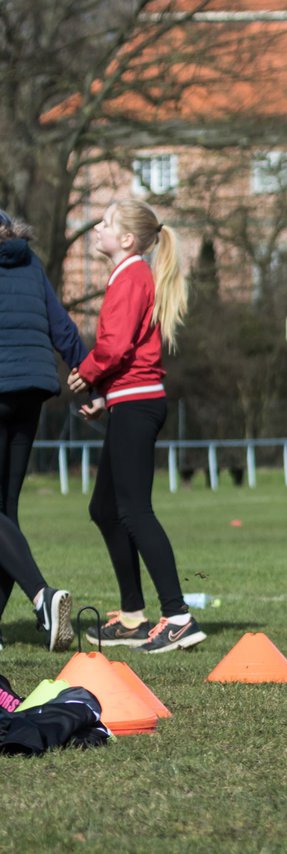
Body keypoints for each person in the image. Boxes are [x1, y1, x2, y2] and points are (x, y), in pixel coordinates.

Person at [66, 199, 205, 654]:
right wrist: (104, 396)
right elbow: (130, 352)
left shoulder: (130, 276)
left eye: (105, 223)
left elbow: (115, 345)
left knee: (134, 511)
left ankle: (179, 616)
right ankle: (131, 616)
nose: (97, 229)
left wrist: (87, 371)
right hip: (129, 402)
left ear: (126, 239)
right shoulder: (128, 275)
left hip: (139, 405)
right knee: (104, 509)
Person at [0, 209, 86, 652]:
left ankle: (41, 595)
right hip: (32, 387)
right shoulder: (28, 260)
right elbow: (62, 326)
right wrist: (92, 377)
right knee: (6, 513)